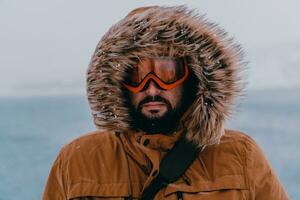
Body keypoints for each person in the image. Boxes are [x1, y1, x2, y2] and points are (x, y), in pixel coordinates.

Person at [43, 5, 288, 200]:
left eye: (167, 72)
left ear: (190, 77)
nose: (151, 87)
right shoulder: (78, 161)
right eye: (136, 76)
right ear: (117, 84)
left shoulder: (240, 156)